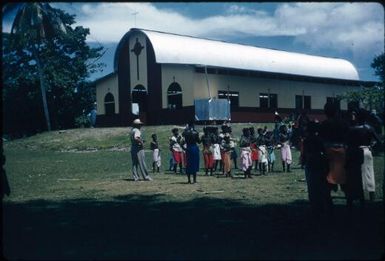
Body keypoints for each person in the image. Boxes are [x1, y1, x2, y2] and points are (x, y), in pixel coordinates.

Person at [319, 101, 349, 194]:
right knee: (344, 175)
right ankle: (349, 201)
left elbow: (321, 139)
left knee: (327, 176)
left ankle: (328, 199)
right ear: (336, 111)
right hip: (342, 151)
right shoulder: (344, 123)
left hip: (328, 152)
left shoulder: (324, 124)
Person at [302, 121, 331, 217]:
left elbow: (304, 154)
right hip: (319, 163)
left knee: (312, 187)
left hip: (310, 163)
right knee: (321, 186)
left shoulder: (306, 140)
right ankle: (323, 207)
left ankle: (314, 207)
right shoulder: (319, 140)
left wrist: (303, 162)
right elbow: (324, 152)